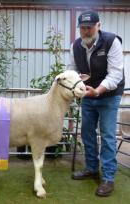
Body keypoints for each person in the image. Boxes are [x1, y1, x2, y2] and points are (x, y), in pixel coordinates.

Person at [68, 10, 125, 197]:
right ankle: (92, 168)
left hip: (109, 94)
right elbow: (73, 70)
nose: (85, 31)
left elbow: (115, 74)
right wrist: (76, 87)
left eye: (89, 27)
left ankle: (108, 178)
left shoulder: (111, 41)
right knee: (87, 133)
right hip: (87, 95)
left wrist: (98, 90)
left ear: (98, 26)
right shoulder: (75, 46)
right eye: (82, 28)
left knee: (108, 135)